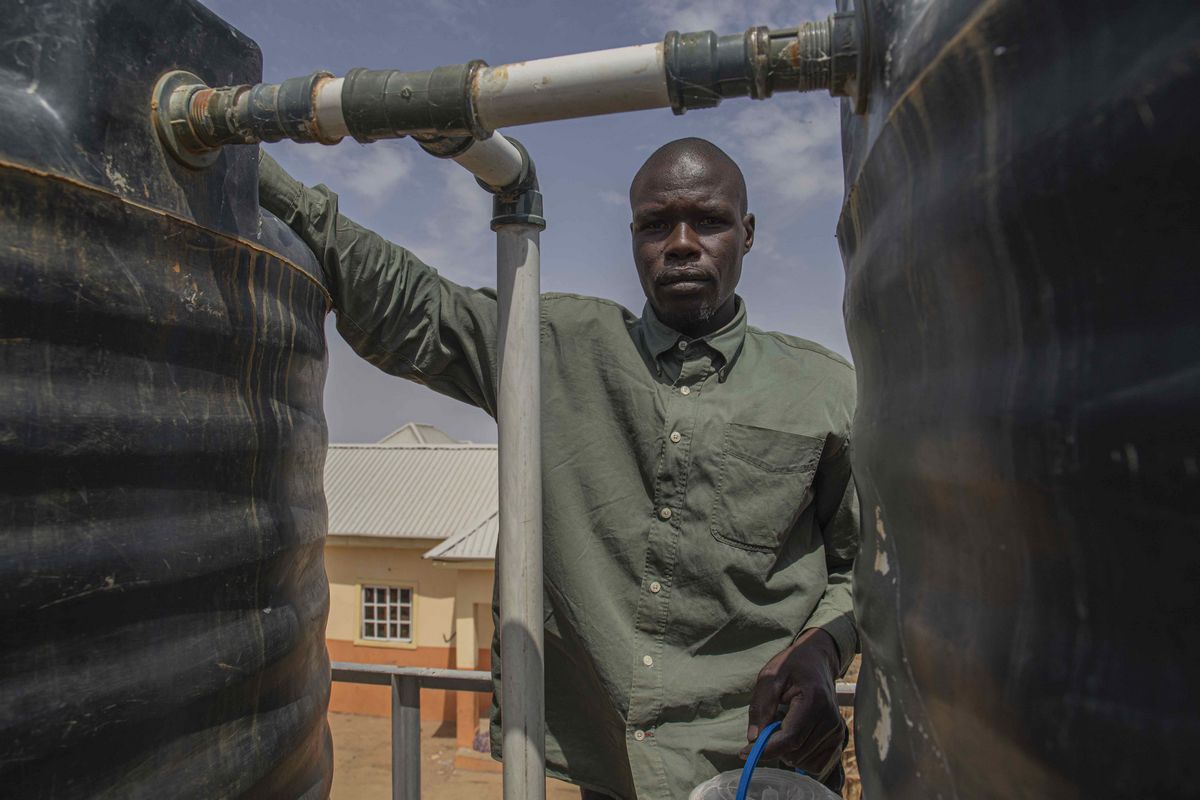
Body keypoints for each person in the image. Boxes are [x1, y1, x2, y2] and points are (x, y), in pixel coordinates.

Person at [259, 137, 859, 799]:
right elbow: (418, 307)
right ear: (633, 236)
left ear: (745, 234)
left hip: (763, 768)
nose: (682, 243)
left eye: (709, 221)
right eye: (656, 224)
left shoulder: (824, 392)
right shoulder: (544, 346)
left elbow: (869, 569)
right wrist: (260, 176)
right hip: (609, 773)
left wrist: (825, 649)